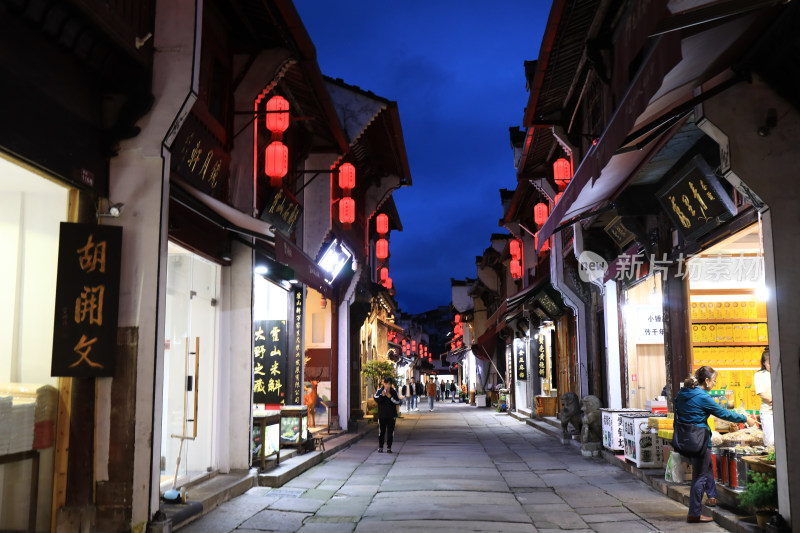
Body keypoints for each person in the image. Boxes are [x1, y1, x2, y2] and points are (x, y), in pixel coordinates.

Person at [675, 365, 757, 523]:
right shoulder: (702, 396)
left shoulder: (683, 393)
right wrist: (746, 419)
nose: (715, 384)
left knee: (707, 468)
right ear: (706, 380)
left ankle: (712, 497)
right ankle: (694, 513)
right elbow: (723, 413)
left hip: (687, 438)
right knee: (699, 477)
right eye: (714, 381)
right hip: (699, 440)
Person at [374, 376, 401, 453]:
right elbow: (376, 398)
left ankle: (389, 447)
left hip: (391, 416)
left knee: (390, 432)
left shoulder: (393, 392)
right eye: (386, 384)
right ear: (383, 383)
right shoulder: (380, 391)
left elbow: (398, 402)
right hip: (382, 415)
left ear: (391, 384)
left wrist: (391, 397)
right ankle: (380, 447)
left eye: (389, 384)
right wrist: (382, 396)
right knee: (381, 432)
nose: (387, 386)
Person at [754, 348, 773, 447]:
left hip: (782, 412)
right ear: (764, 363)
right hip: (768, 412)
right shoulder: (759, 375)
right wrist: (775, 401)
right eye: (770, 363)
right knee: (771, 441)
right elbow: (762, 393)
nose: (772, 365)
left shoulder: (780, 373)